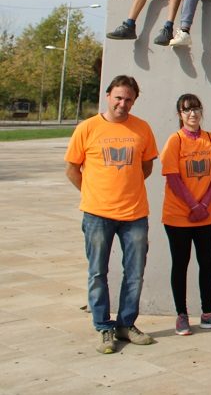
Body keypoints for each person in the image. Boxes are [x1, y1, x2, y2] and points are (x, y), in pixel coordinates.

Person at [65, 75, 158, 354]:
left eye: (128, 99)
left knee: (135, 273)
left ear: (134, 100)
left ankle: (126, 324)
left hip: (134, 214)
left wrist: (125, 187)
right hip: (97, 214)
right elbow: (72, 169)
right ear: (108, 96)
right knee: (97, 272)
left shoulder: (142, 128)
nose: (122, 103)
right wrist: (93, 193)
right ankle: (104, 326)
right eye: (118, 97)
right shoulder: (87, 128)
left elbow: (146, 167)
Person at [160, 94, 211, 335]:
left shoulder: (210, 139)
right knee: (180, 264)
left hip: (205, 215)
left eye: (196, 109)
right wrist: (193, 205)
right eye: (187, 110)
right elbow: (173, 177)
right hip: (179, 215)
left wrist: (204, 204)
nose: (192, 114)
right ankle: (181, 315)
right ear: (180, 114)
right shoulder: (175, 140)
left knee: (207, 263)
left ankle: (208, 313)